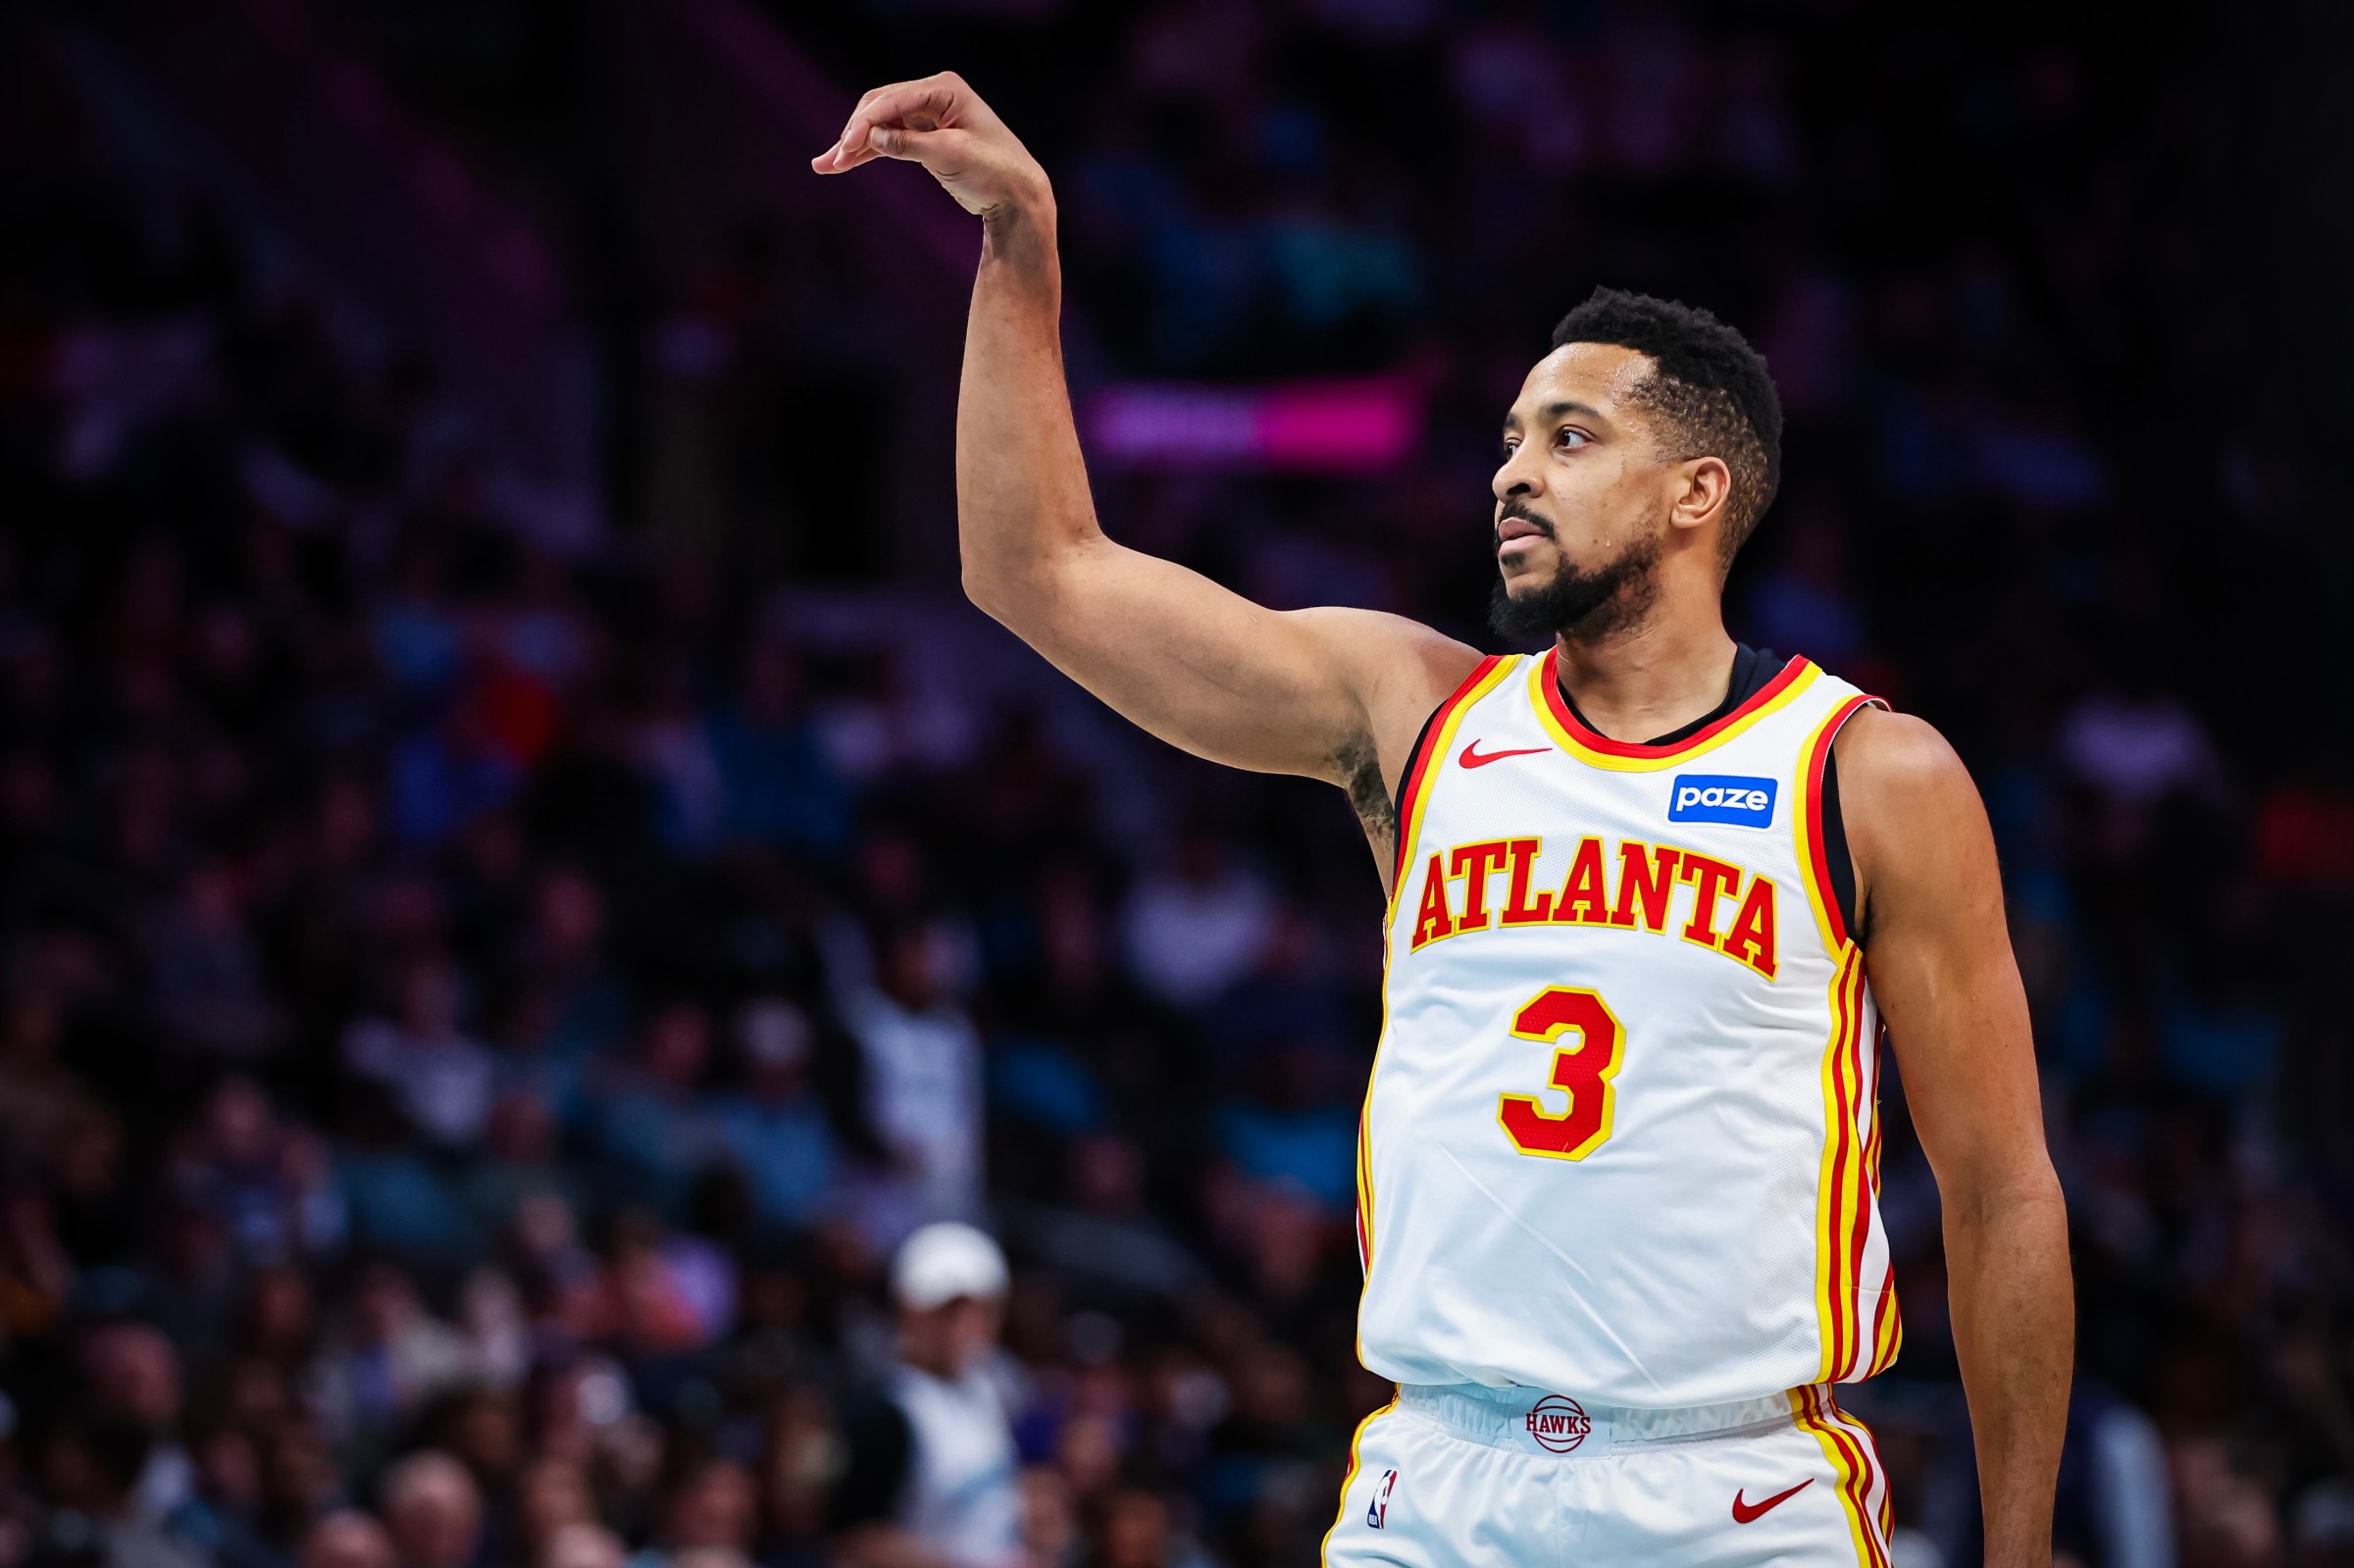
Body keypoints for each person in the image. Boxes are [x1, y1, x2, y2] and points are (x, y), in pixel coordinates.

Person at [814, 74, 2073, 1568]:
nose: (1511, 471)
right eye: (1510, 437)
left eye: (1569, 437)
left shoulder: (1869, 772)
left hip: (1734, 1492)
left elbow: (2000, 1193)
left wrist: (2020, 1550)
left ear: (1696, 491)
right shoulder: (1416, 710)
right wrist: (1021, 239)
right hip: (1440, 1477)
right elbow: (1036, 570)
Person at [829, 1224, 1023, 1568]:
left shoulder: (988, 1393)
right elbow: (852, 1542)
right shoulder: (886, 1410)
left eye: (976, 1310)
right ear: (908, 1310)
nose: (961, 1326)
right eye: (945, 1311)